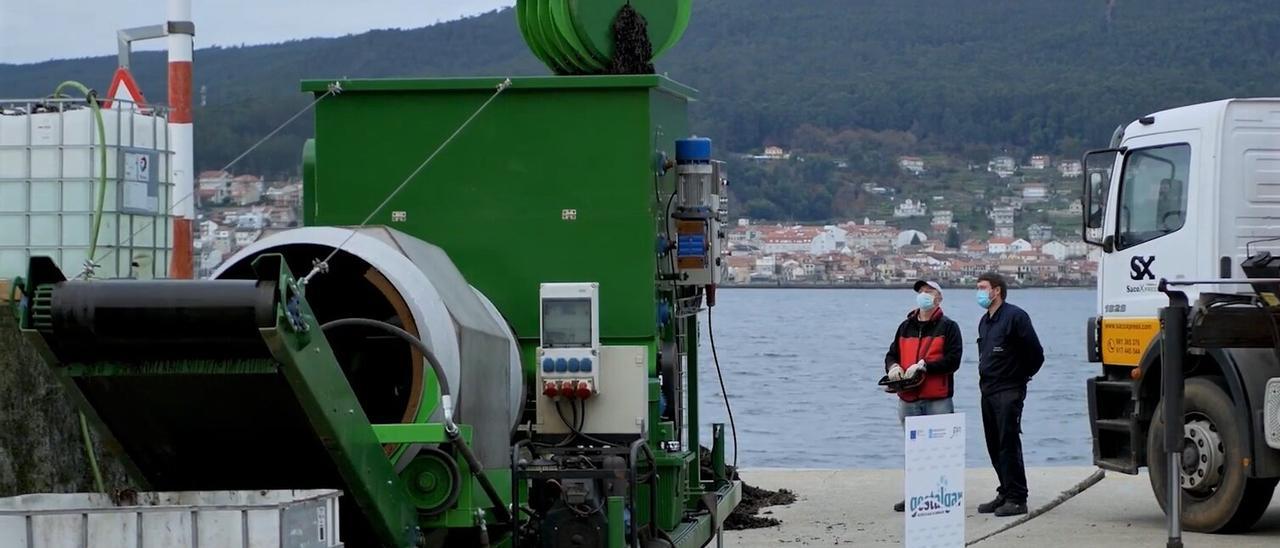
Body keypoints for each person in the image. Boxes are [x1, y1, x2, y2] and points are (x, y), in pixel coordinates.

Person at [885, 280, 963, 512]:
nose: (924, 295)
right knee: (914, 451)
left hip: (937, 398)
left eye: (929, 292)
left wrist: (925, 366)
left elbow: (953, 360)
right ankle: (916, 495)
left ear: (939, 298)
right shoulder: (905, 326)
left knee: (940, 451)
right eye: (921, 292)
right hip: (908, 397)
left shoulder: (949, 327)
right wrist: (893, 367)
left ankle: (940, 497)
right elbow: (891, 353)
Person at [974, 272, 1044, 517]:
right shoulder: (985, 321)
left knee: (1008, 444)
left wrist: (1020, 377)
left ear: (997, 291)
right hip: (988, 390)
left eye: (983, 287)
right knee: (994, 444)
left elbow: (1035, 354)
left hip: (1009, 390)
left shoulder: (1016, 317)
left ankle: (1017, 498)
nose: (979, 292)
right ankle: (1004, 491)